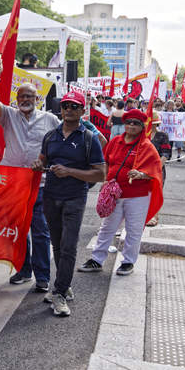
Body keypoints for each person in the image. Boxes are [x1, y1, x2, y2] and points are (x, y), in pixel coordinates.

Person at [0, 58, 59, 293]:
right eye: (22, 96)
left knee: (40, 230)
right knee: (17, 230)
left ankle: (43, 276)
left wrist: (93, 133)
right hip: (13, 184)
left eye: (30, 97)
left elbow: (62, 139)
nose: (25, 100)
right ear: (16, 100)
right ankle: (24, 270)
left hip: (40, 184)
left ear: (38, 100)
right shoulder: (8, 114)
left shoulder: (50, 120)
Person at [32, 91, 106, 316]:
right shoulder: (51, 136)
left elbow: (100, 174)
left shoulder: (88, 139)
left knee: (69, 246)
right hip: (51, 195)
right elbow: (43, 158)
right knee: (56, 245)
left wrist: (70, 172)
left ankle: (60, 292)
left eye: (74, 106)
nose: (69, 110)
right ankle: (64, 285)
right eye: (65, 106)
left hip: (75, 197)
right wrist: (38, 164)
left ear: (83, 111)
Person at [79, 109, 162, 276]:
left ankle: (128, 262)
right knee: (107, 227)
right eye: (129, 122)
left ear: (142, 126)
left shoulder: (146, 146)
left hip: (137, 195)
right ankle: (96, 259)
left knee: (134, 229)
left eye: (136, 123)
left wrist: (141, 174)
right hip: (114, 193)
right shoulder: (115, 141)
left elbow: (156, 169)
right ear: (124, 124)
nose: (131, 125)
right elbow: (107, 162)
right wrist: (105, 180)